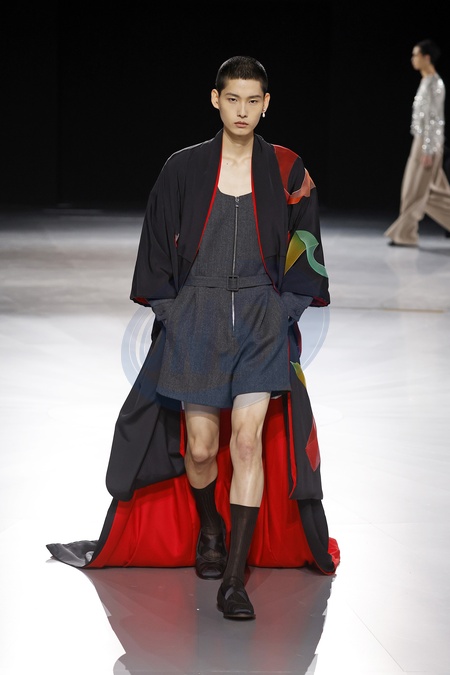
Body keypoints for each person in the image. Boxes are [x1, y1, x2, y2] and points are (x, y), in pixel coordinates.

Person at [47, 55, 340, 621]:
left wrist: (282, 311)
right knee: (201, 448)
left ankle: (233, 580)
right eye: (233, 99)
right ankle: (210, 527)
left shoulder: (287, 168)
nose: (242, 110)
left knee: (248, 442)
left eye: (253, 101)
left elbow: (307, 244)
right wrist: (173, 312)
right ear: (215, 100)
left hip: (260, 316)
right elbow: (156, 242)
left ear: (266, 104)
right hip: (197, 316)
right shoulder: (183, 167)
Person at [384, 39, 450, 246]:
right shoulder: (426, 81)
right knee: (426, 192)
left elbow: (434, 119)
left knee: (417, 192)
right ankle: (406, 234)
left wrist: (429, 149)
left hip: (428, 143)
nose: (413, 59)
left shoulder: (435, 84)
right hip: (421, 141)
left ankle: (406, 235)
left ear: (426, 57)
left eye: (416, 55)